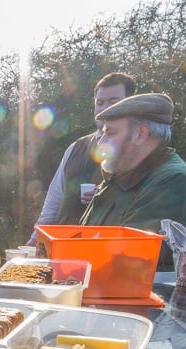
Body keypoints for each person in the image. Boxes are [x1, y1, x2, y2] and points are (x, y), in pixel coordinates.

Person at [80, 92, 186, 266]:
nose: (102, 142)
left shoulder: (173, 180)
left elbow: (130, 259)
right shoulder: (118, 175)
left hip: (148, 292)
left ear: (140, 133)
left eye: (110, 133)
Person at [33, 72, 137, 237]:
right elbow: (54, 201)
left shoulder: (137, 150)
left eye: (113, 102)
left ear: (130, 105)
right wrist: (36, 238)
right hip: (62, 249)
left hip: (105, 253)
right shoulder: (75, 148)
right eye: (100, 102)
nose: (104, 108)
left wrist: (106, 195)